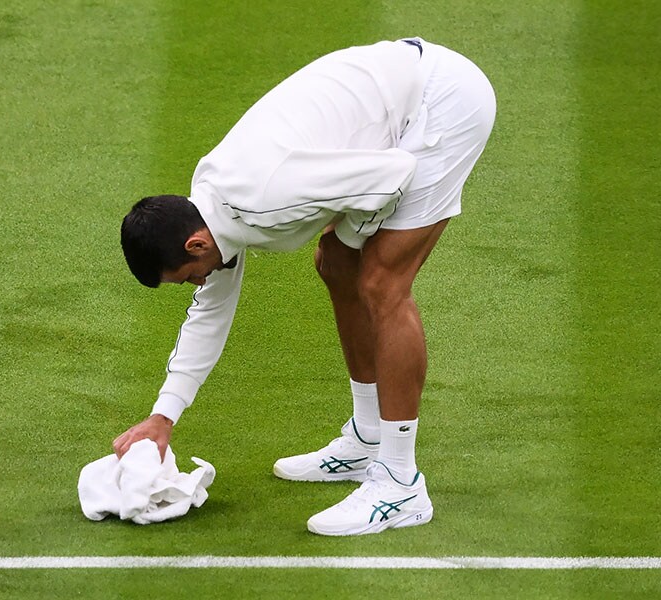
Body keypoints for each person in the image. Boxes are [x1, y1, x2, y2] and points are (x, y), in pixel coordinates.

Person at [113, 37, 495, 536]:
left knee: (381, 282)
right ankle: (367, 438)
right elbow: (209, 314)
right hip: (394, 97)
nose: (200, 283)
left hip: (442, 102)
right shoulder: (212, 205)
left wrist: (353, 234)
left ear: (194, 245)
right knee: (337, 263)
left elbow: (396, 173)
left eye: (192, 276)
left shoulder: (262, 200)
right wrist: (163, 416)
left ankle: (400, 483)